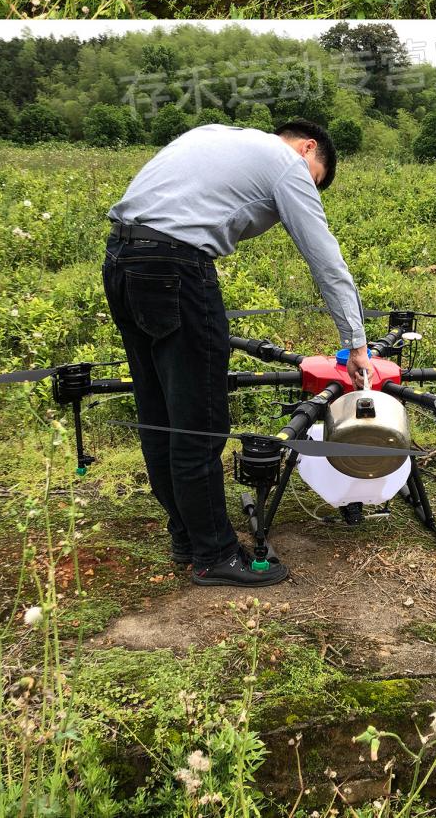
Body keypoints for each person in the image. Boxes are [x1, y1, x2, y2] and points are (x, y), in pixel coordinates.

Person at [101, 118, 370, 587]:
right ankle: (215, 555)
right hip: (176, 268)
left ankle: (186, 535)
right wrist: (357, 343)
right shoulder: (287, 163)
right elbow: (325, 258)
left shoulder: (214, 135)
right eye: (316, 181)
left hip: (122, 262)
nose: (309, 189)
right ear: (307, 148)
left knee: (159, 413)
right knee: (199, 422)